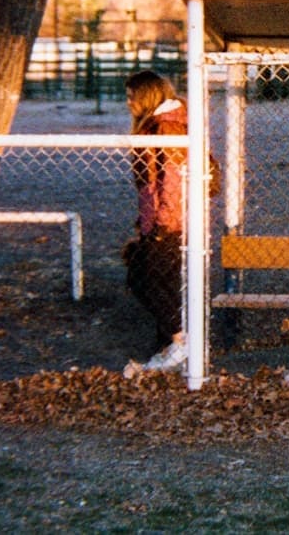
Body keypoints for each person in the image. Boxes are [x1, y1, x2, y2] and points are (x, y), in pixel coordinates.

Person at [122, 70, 189, 373]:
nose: (128, 102)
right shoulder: (159, 124)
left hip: (170, 222)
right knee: (160, 282)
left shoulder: (167, 127)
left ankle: (180, 341)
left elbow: (171, 179)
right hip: (161, 219)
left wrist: (162, 223)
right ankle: (169, 345)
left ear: (147, 95)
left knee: (147, 280)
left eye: (132, 96)